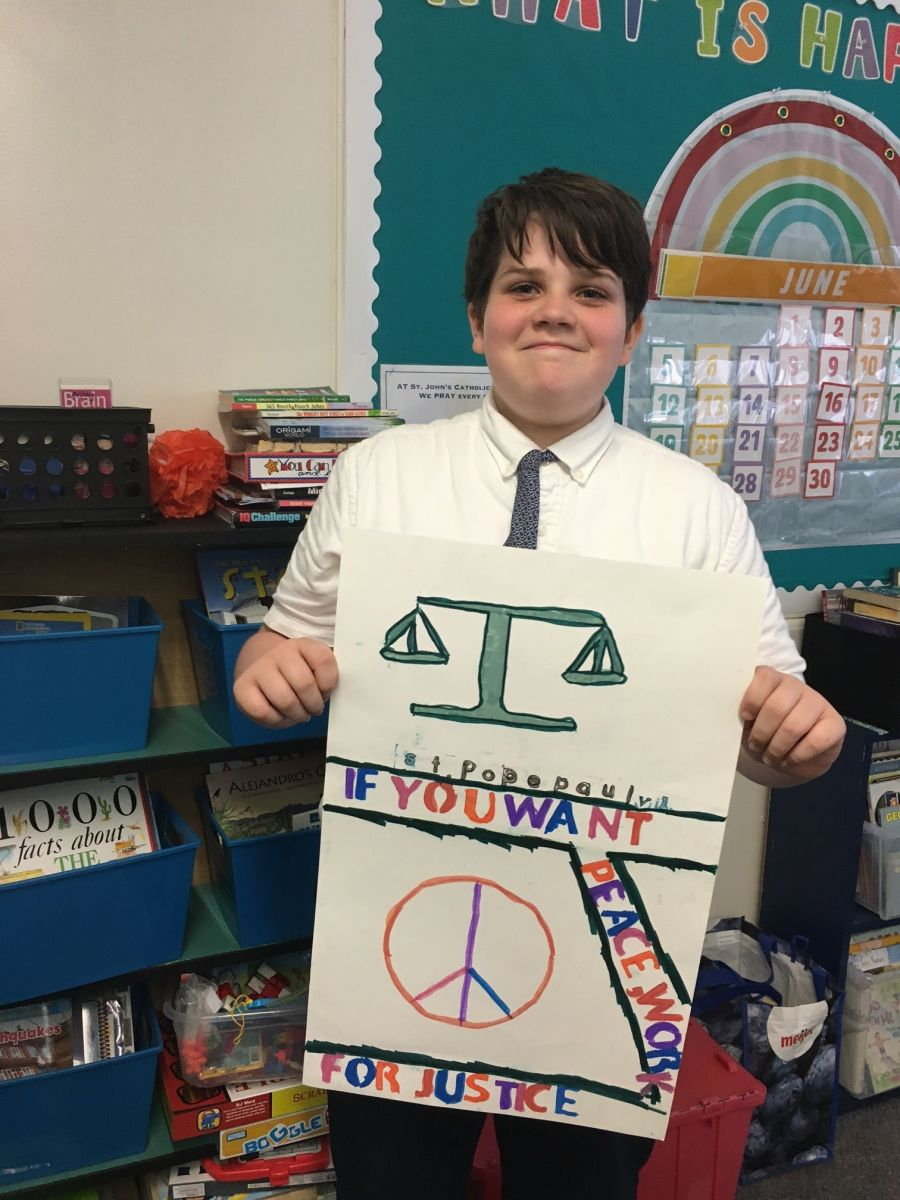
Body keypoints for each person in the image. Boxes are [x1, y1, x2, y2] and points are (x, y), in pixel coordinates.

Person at [233, 167, 846, 1199]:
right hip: (402, 928)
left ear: (630, 332)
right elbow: (282, 645)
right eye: (523, 285)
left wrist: (801, 739)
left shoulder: (696, 509)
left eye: (592, 289)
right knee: (393, 1179)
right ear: (477, 322)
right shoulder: (377, 476)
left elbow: (768, 729)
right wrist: (270, 673)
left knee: (581, 1183)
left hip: (610, 939)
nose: (555, 308)